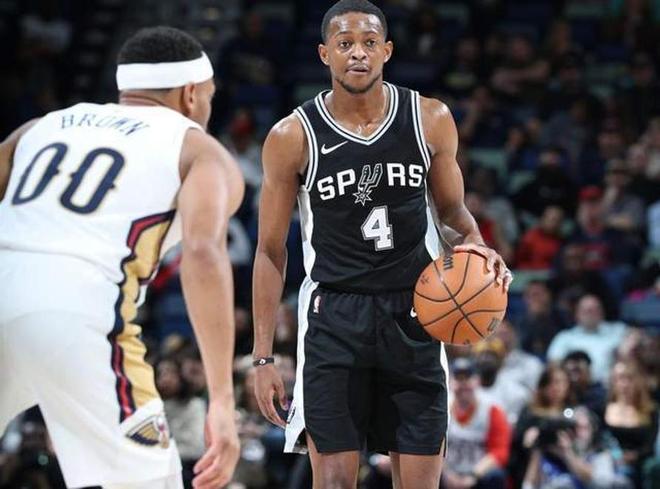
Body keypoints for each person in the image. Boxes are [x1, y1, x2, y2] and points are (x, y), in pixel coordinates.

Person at [250, 2, 512, 488]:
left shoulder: (429, 118)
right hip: (334, 316)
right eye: (345, 43)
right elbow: (269, 251)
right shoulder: (292, 136)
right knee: (333, 482)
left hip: (415, 311)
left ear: (387, 51)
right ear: (324, 53)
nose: (358, 53)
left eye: (369, 43)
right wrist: (263, 357)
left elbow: (453, 214)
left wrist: (477, 245)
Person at [0, 26, 243, 489]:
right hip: (78, 315)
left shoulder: (41, 127)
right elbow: (202, 253)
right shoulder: (199, 149)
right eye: (210, 96)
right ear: (192, 94)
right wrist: (222, 399)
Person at [442, 358, 511, 489]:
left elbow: (499, 452)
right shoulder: (442, 408)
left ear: (477, 381)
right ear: (450, 382)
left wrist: (473, 476)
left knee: (496, 476)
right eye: (458, 379)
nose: (463, 384)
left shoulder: (492, 409)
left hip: (478, 473)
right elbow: (432, 445)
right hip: (447, 473)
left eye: (467, 378)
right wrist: (447, 474)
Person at [547, 294, 628, 384]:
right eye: (587, 311)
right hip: (575, 385)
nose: (591, 314)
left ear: (602, 312)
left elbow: (636, 336)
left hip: (610, 384)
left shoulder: (617, 330)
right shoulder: (565, 337)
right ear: (577, 314)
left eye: (595, 310)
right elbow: (554, 364)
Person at [604, 361, 659, 488]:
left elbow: (650, 444)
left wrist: (634, 456)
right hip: (612, 460)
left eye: (629, 378)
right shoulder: (604, 409)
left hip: (643, 462)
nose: (625, 384)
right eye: (619, 378)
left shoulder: (650, 411)